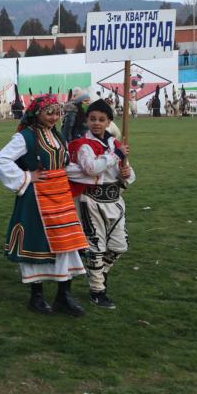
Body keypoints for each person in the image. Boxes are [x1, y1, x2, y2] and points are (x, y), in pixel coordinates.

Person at [0, 94, 90, 316]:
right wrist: (26, 177)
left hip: (61, 196)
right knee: (36, 243)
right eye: (49, 112)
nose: (54, 117)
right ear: (37, 113)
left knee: (67, 243)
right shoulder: (25, 137)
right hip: (36, 197)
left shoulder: (56, 135)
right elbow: (2, 159)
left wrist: (94, 173)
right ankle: (36, 297)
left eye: (57, 113)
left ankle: (63, 295)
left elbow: (62, 165)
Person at [67, 99, 135, 309]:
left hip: (115, 200)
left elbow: (129, 174)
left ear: (108, 122)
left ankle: (97, 273)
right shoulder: (83, 145)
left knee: (119, 246)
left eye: (101, 119)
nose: (97, 123)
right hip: (92, 201)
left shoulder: (115, 144)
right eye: (93, 119)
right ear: (87, 121)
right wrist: (116, 156)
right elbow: (91, 168)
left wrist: (126, 172)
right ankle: (98, 290)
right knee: (96, 247)